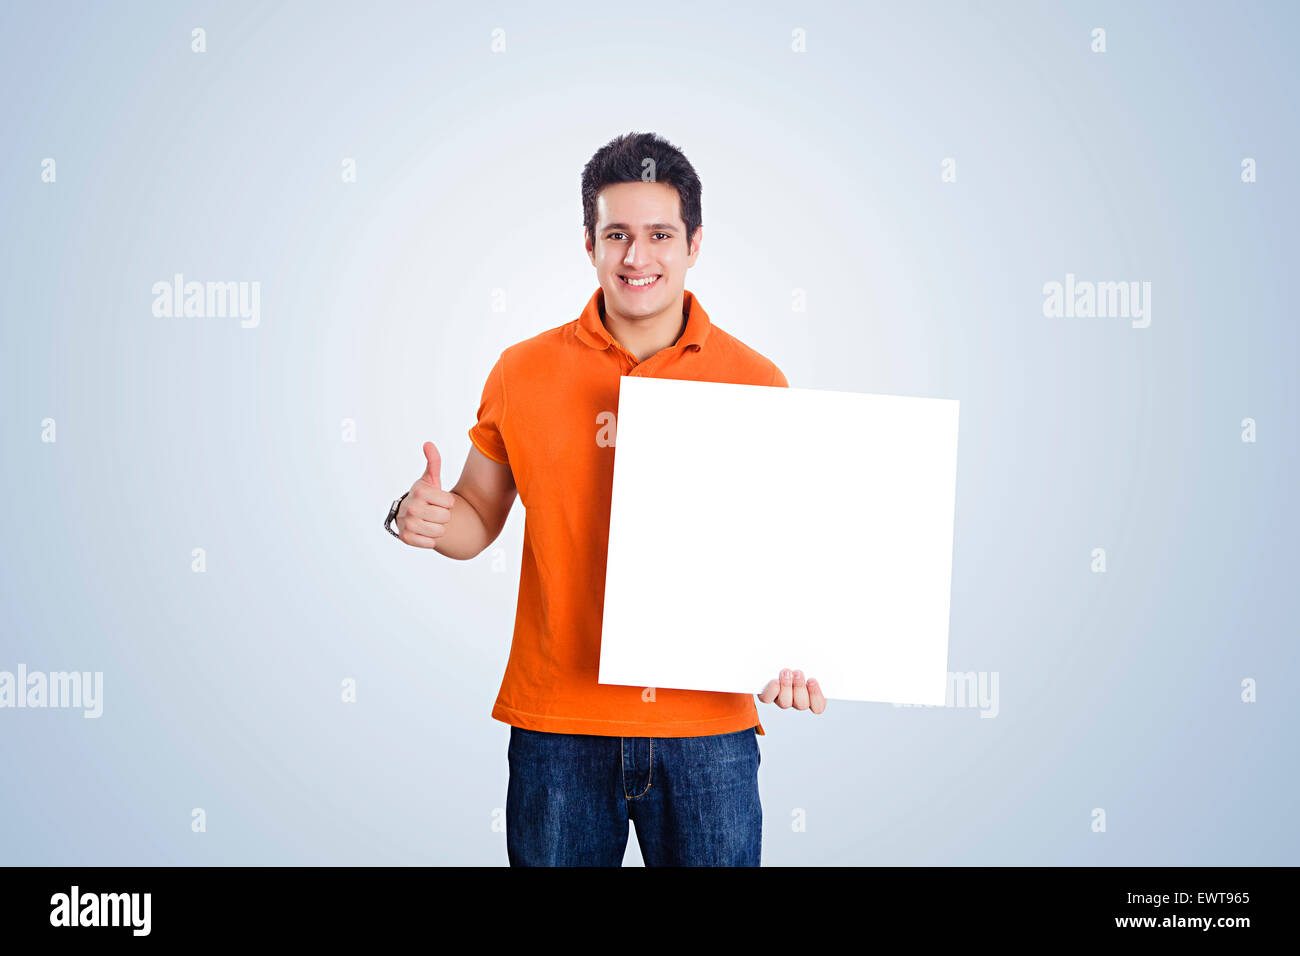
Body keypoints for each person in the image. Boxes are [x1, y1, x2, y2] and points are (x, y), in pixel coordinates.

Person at [385, 131, 825, 866]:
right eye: (616, 234)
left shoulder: (756, 379)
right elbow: (476, 517)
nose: (637, 257)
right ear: (589, 243)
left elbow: (787, 553)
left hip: (708, 733)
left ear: (695, 244)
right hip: (558, 727)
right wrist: (420, 515)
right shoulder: (521, 371)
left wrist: (802, 648)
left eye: (659, 234)